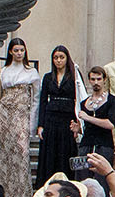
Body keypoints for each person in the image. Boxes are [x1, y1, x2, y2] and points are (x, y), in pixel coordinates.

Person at [0, 37, 40, 197]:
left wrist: (33, 122)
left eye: (22, 50)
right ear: (11, 51)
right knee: (4, 155)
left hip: (21, 114)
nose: (19, 53)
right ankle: (5, 196)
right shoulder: (2, 71)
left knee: (21, 153)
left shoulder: (31, 72)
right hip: (5, 113)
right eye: (16, 50)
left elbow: (36, 100)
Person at [35, 44, 84, 186]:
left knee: (66, 150)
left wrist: (78, 123)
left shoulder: (74, 75)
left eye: (61, 57)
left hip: (67, 118)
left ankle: (67, 184)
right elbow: (43, 101)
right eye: (56, 58)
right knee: (49, 152)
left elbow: (80, 99)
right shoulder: (47, 77)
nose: (58, 60)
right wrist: (40, 125)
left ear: (67, 58)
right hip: (51, 117)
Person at [76, 65, 115, 162]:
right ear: (89, 80)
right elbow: (86, 128)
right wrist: (78, 129)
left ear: (104, 80)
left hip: (104, 146)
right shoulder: (84, 102)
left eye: (99, 79)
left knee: (102, 176)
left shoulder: (113, 101)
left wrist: (88, 117)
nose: (96, 82)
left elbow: (110, 124)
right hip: (86, 146)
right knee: (82, 175)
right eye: (93, 79)